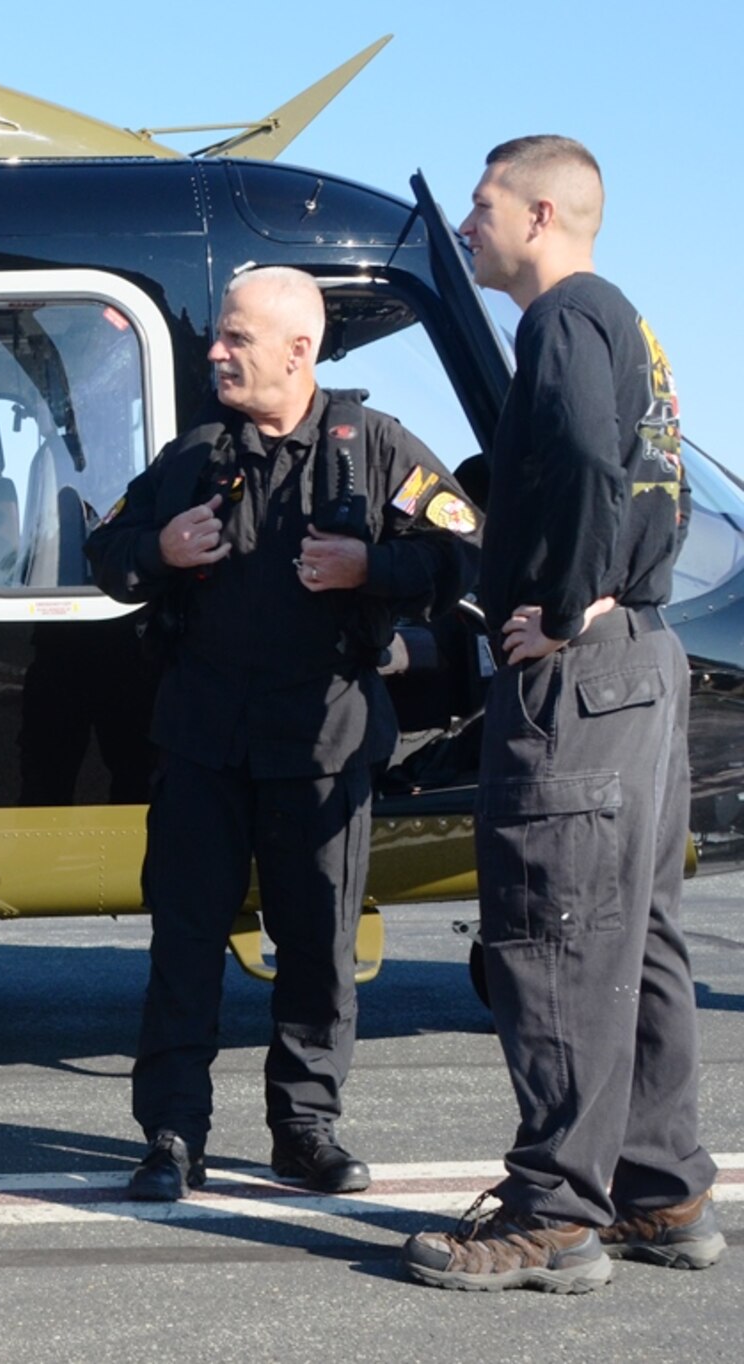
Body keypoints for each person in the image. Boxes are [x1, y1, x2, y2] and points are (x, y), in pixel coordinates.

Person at [401, 136, 723, 1293]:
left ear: (539, 213)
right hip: (644, 662)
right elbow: (650, 477)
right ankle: (660, 1187)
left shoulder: (561, 319)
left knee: (551, 938)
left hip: (583, 671)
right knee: (634, 939)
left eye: (481, 204)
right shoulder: (626, 323)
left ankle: (550, 1215)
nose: (470, 222)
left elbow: (587, 458)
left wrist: (566, 605)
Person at [87, 267, 478, 1200]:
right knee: (182, 946)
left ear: (299, 351)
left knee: (318, 947)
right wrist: (159, 552)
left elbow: (467, 551)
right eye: (219, 337)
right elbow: (106, 553)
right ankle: (173, 1135)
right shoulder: (193, 457)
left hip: (323, 745)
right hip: (204, 745)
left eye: (237, 339)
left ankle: (304, 1132)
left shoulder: (374, 448)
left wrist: (369, 567)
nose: (215, 352)